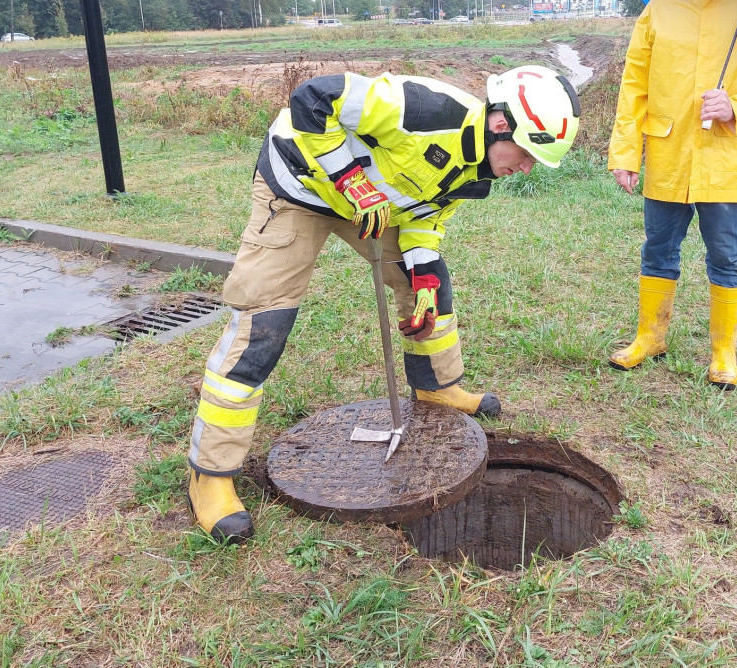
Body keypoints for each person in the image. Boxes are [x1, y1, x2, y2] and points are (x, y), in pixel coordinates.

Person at [187, 66, 580, 543]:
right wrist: (352, 180)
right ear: (502, 124)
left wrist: (426, 282)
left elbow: (423, 216)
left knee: (426, 284)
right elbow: (312, 99)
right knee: (263, 325)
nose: (527, 169)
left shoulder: (476, 171)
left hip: (369, 205)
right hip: (300, 184)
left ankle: (438, 388)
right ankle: (210, 475)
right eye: (527, 154)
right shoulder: (420, 109)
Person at [607, 0, 737, 389]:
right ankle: (650, 337)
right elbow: (635, 83)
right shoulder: (659, 9)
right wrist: (626, 152)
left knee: (726, 254)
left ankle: (723, 352)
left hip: (726, 156)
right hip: (669, 152)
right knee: (657, 248)